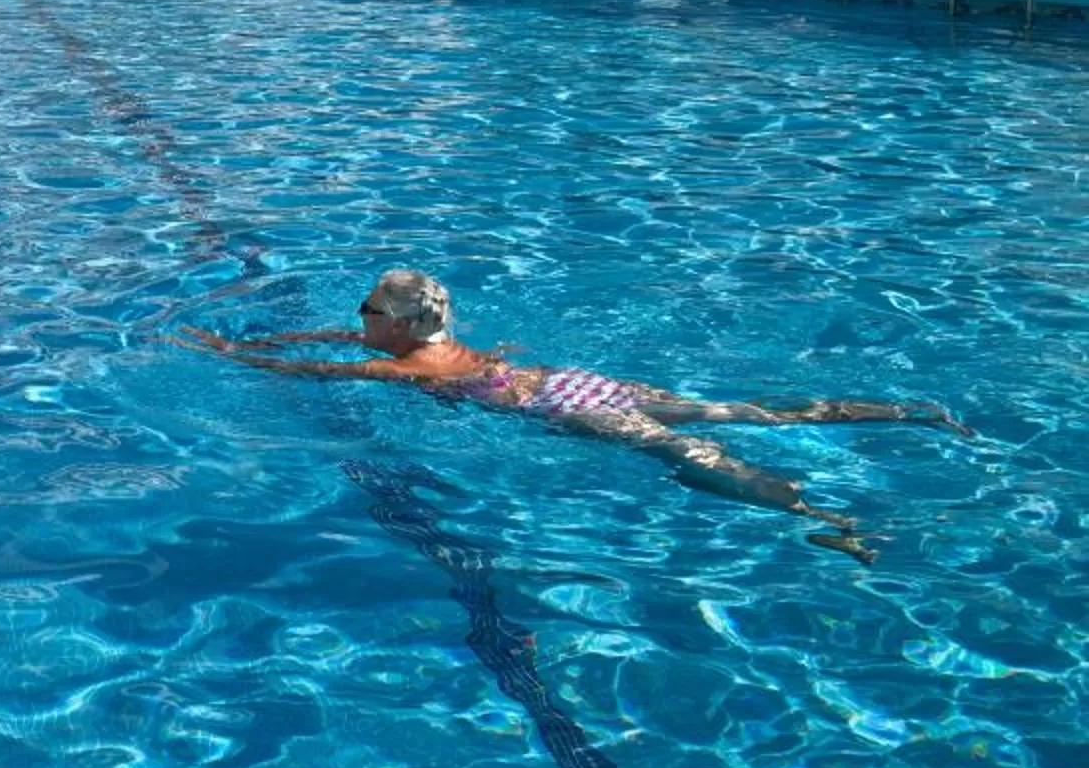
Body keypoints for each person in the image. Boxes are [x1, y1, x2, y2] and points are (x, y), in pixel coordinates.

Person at [180, 269, 962, 563]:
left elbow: (309, 367)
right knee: (746, 412)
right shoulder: (439, 340)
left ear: (394, 324)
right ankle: (901, 412)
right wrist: (293, 328)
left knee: (692, 457)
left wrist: (229, 351)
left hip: (559, 408)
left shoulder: (399, 366)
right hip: (571, 380)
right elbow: (328, 338)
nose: (358, 318)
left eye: (367, 309)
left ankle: (827, 516)